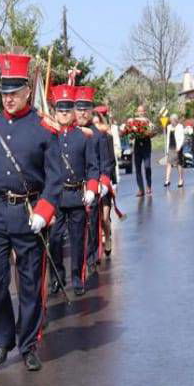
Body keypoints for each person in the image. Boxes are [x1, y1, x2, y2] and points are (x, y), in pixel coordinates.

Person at [0, 52, 63, 372]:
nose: (8, 98)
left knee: (31, 282)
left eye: (14, 91)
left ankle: (29, 342)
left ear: (27, 92)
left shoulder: (44, 129)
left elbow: (56, 177)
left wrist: (44, 211)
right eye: (4, 92)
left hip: (29, 211)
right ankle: (3, 338)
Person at [47, 84, 98, 296]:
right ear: (55, 112)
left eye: (68, 109)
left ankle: (77, 277)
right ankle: (57, 275)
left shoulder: (83, 136)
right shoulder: (49, 136)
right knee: (55, 239)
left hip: (76, 194)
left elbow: (92, 167)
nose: (65, 113)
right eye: (61, 109)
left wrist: (91, 189)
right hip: (56, 196)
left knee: (77, 240)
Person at [76, 87, 112, 274]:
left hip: (93, 187)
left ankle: (90, 260)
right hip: (72, 189)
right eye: (78, 108)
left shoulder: (99, 136)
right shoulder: (69, 133)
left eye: (85, 108)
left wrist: (103, 185)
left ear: (91, 110)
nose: (82, 112)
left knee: (91, 227)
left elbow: (106, 164)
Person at [92, 108, 117, 256]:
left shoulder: (107, 137)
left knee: (105, 217)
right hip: (92, 184)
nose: (95, 128)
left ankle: (107, 236)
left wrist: (109, 182)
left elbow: (111, 161)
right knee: (95, 218)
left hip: (105, 182)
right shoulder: (87, 136)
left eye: (97, 124)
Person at [128, 105, 155, 197]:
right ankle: (141, 189)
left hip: (146, 146)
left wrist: (149, 133)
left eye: (142, 111)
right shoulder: (133, 122)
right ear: (137, 112)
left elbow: (152, 134)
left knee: (147, 167)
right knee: (138, 169)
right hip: (137, 147)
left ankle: (149, 186)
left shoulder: (148, 122)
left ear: (144, 112)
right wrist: (131, 133)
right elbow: (130, 135)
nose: (140, 113)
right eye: (139, 111)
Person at [163, 113, 185, 188]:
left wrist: (179, 147)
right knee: (169, 163)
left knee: (179, 164)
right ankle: (167, 180)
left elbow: (182, 138)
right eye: (171, 120)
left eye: (173, 120)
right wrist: (166, 149)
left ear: (176, 120)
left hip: (177, 148)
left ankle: (180, 179)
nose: (171, 122)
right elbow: (168, 138)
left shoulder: (180, 127)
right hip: (170, 147)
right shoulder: (169, 127)